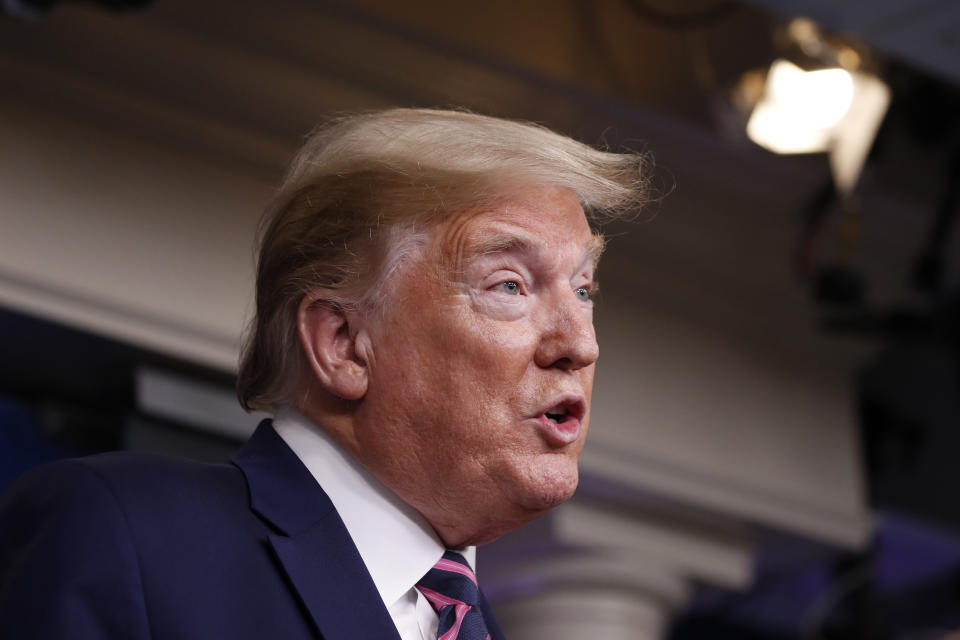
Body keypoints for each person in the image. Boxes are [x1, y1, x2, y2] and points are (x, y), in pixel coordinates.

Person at [0, 108, 648, 639]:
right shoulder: (129, 536)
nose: (579, 344)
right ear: (343, 344)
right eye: (509, 285)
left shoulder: (479, 629)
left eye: (584, 290)